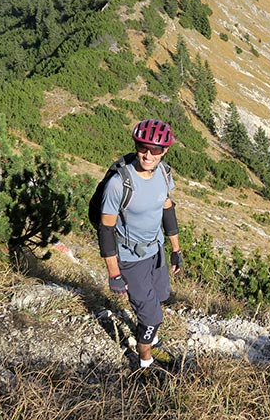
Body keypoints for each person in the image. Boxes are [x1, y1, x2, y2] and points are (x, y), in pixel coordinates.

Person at [99, 118, 182, 369]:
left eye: (155, 150)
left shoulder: (165, 174)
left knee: (161, 296)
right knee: (152, 315)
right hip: (130, 257)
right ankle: (144, 360)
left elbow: (167, 208)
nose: (148, 154)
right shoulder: (119, 184)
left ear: (164, 150)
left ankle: (151, 336)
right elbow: (106, 228)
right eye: (142, 147)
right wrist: (114, 273)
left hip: (156, 251)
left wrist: (176, 249)